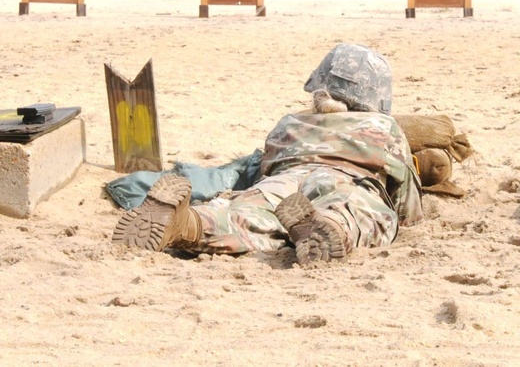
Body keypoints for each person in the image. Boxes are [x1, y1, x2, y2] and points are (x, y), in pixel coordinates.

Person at [112, 43, 423, 264]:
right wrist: (405, 216)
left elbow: (265, 170)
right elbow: (406, 200)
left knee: (245, 216)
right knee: (353, 211)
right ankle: (330, 227)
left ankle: (188, 223)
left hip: (284, 180)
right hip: (347, 182)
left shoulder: (289, 123)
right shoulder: (383, 127)